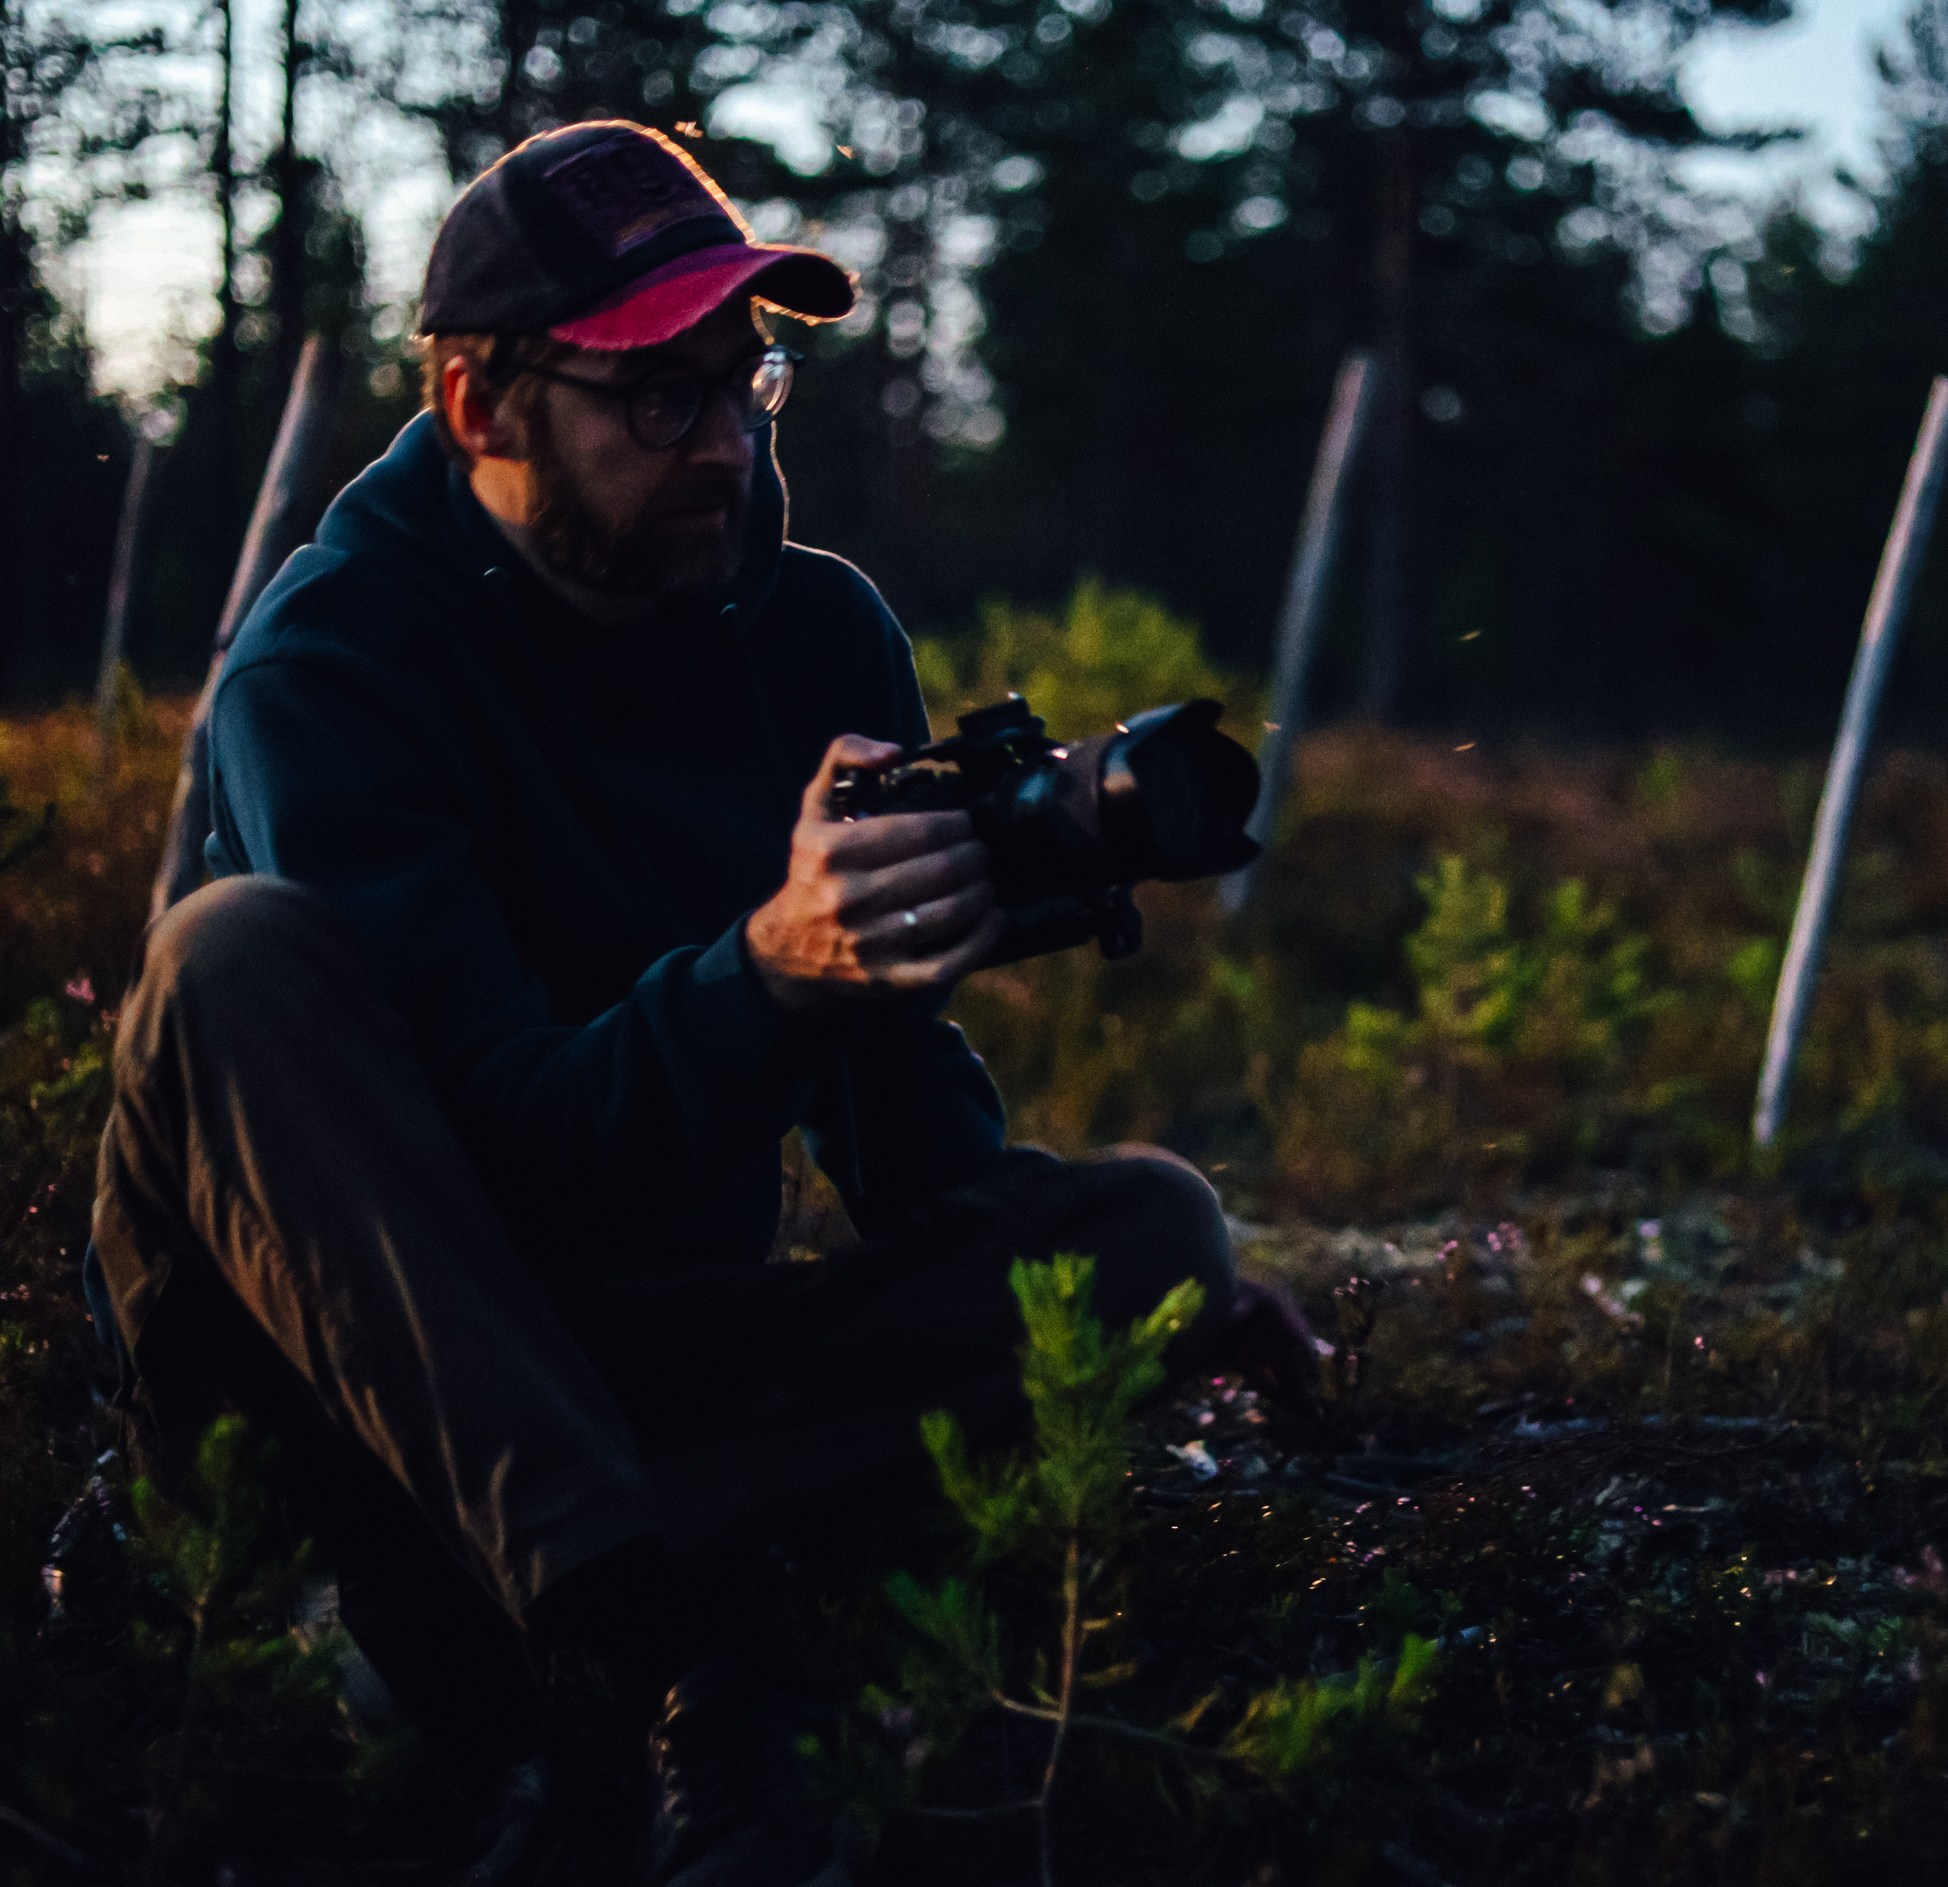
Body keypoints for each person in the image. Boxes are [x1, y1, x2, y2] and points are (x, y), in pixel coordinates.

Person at [85, 119, 1309, 1886]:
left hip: (625, 1356)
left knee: (1153, 1228)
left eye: (750, 385)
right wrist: (764, 978)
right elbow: (500, 1153)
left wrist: (1089, 1297)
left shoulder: (811, 632)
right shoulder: (329, 671)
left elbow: (887, 1087)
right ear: (476, 406)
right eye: (656, 397)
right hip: (348, 1385)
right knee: (231, 957)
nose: (722, 443)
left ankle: (484, 1613)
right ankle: (649, 1648)